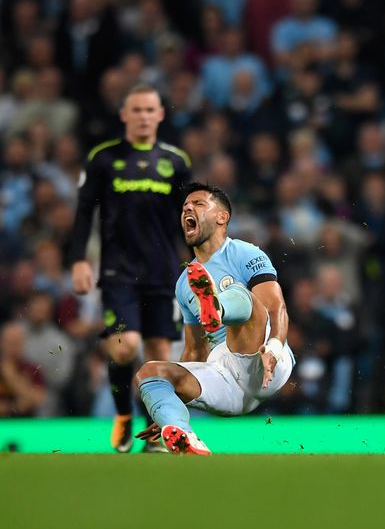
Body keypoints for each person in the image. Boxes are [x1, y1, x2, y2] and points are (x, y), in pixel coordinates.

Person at [66, 83, 192, 453]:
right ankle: (123, 414)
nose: (143, 117)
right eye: (136, 110)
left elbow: (189, 219)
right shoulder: (103, 158)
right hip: (118, 274)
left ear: (160, 114)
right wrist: (77, 259)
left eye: (149, 110)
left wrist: (202, 263)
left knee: (158, 355)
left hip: (163, 274)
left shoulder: (176, 161)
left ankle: (154, 433)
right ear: (124, 115)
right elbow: (83, 212)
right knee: (124, 347)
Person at [132, 182, 295, 455]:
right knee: (149, 372)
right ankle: (182, 434)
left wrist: (276, 347)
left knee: (246, 298)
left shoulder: (245, 253)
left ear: (222, 217)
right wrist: (169, 405)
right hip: (226, 378)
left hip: (264, 356)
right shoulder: (184, 283)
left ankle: (218, 308)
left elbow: (275, 307)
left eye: (198, 204)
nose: (187, 209)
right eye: (184, 206)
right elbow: (195, 350)